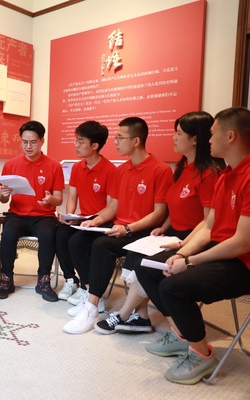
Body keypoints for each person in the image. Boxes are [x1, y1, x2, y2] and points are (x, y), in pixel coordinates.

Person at [136, 107, 250, 385]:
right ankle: (184, 335)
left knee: (173, 287)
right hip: (224, 252)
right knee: (149, 268)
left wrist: (190, 262)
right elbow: (207, 227)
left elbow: (243, 243)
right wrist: (181, 253)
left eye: (213, 134)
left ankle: (202, 354)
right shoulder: (227, 174)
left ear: (231, 136)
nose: (208, 139)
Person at [94, 111, 224, 335]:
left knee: (144, 264)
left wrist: (183, 246)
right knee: (135, 254)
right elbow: (175, 205)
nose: (174, 137)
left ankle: (124, 314)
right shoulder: (181, 168)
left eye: (179, 133)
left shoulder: (209, 173)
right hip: (173, 233)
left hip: (193, 239)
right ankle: (141, 317)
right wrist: (164, 226)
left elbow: (207, 223)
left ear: (194, 139)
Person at [63, 117, 173, 334]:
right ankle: (91, 295)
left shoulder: (160, 170)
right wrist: (95, 220)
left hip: (144, 232)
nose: (115, 142)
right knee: (78, 240)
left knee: (101, 245)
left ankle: (92, 307)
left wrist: (129, 228)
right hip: (121, 229)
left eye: (120, 138)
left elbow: (159, 213)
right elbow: (114, 207)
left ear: (136, 141)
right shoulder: (121, 170)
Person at [0, 120, 65, 302]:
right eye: (24, 142)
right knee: (8, 233)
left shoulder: (54, 166)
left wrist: (50, 199)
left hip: (44, 216)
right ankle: (6, 279)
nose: (28, 146)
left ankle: (43, 280)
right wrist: (3, 194)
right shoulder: (11, 165)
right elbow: (3, 199)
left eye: (33, 142)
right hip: (17, 215)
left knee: (48, 234)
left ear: (42, 141)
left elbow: (59, 198)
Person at [55, 121, 116, 301]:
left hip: (102, 221)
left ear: (94, 146)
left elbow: (111, 207)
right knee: (59, 234)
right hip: (82, 220)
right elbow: (72, 198)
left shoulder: (110, 170)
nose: (76, 145)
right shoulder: (77, 167)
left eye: (81, 141)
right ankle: (70, 279)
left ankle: (86, 286)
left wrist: (92, 220)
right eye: (76, 140)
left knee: (76, 242)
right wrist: (69, 216)